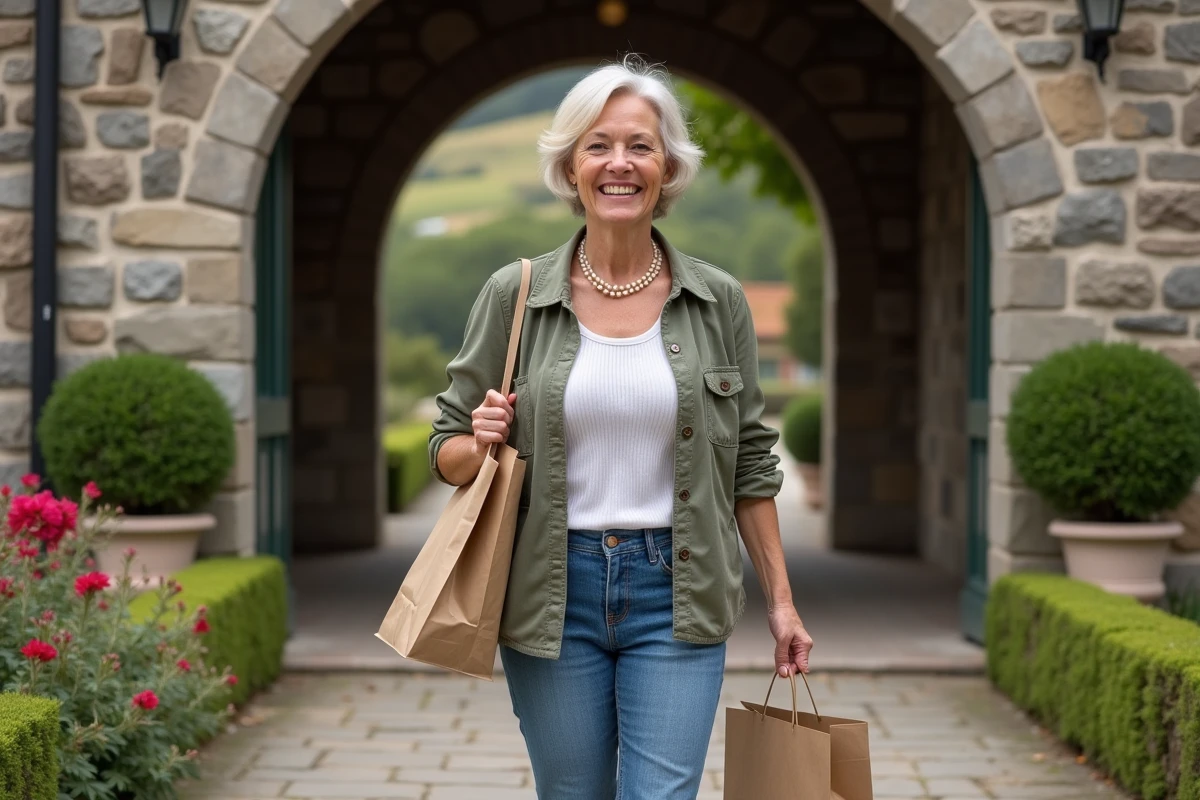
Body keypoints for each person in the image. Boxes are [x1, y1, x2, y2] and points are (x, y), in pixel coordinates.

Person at [428, 54, 813, 800]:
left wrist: (782, 601)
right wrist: (479, 438)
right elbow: (446, 452)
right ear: (570, 165)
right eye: (599, 145)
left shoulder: (718, 301)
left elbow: (753, 464)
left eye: (641, 145)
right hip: (548, 588)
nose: (620, 163)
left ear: (667, 167)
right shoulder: (516, 293)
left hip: (679, 583)